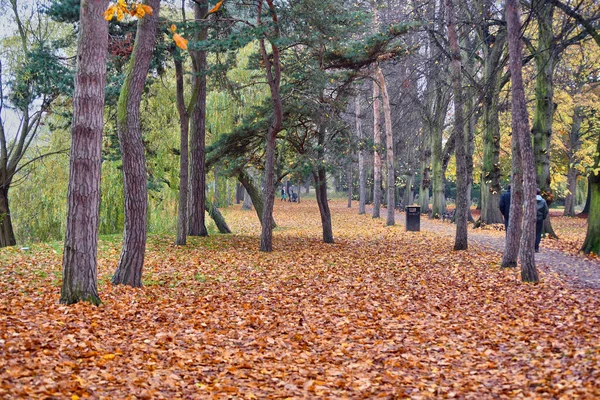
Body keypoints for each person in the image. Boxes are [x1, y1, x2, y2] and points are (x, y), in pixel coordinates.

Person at [535, 188, 549, 253]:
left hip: (531, 219)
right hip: (540, 218)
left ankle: (531, 246)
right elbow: (546, 210)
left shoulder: (531, 200)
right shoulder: (543, 201)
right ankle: (536, 247)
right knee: (538, 233)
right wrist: (543, 217)